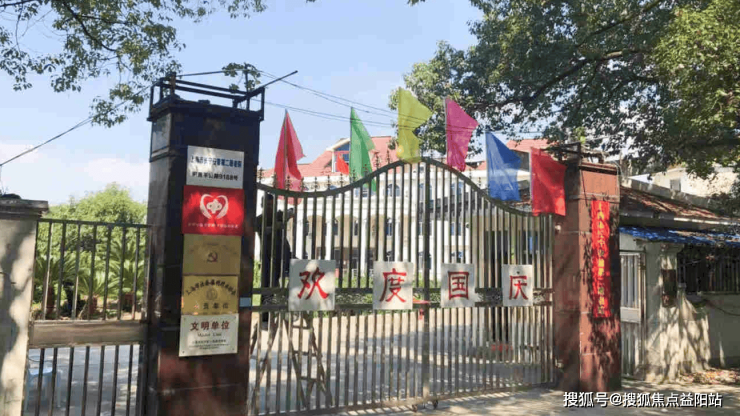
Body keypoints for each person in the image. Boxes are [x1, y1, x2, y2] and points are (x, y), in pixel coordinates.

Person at [254, 194, 294, 325]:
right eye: (268, 205)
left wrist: (288, 213)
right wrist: (275, 227)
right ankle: (265, 318)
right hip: (268, 258)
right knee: (267, 287)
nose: (270, 208)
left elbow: (292, 211)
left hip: (285, 255)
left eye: (272, 205)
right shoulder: (259, 219)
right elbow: (263, 230)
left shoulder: (279, 215)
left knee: (301, 271)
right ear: (262, 205)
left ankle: (288, 305)